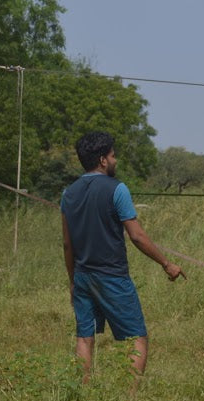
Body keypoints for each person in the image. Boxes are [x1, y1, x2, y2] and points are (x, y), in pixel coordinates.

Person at [61, 131, 184, 383]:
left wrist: (73, 281)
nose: (115, 161)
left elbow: (67, 244)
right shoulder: (117, 189)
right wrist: (166, 263)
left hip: (83, 276)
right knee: (136, 337)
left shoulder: (68, 193)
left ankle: (82, 393)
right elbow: (137, 236)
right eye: (113, 156)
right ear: (103, 160)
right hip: (112, 277)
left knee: (85, 338)